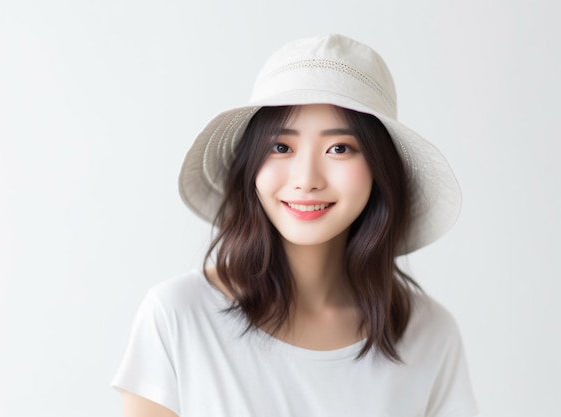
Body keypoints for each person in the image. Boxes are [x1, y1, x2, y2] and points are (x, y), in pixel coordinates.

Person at [112, 34, 478, 417]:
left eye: (340, 148)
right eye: (281, 147)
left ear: (378, 169)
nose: (306, 179)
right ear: (251, 164)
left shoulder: (430, 334)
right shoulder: (178, 316)